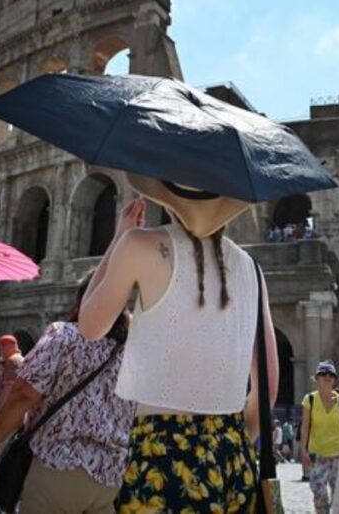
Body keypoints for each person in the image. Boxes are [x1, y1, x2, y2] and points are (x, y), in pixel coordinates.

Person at [79, 185, 278, 513]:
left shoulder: (139, 245)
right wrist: (232, 436)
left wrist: (118, 240)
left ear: (167, 196)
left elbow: (90, 326)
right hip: (233, 455)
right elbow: (268, 386)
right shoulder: (251, 269)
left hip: (161, 455)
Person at [0, 269, 137, 514]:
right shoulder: (131, 354)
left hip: (57, 466)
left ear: (83, 300)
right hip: (107, 477)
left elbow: (23, 395)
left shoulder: (64, 336)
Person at [300, 361, 339, 514]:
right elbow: (305, 427)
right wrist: (303, 450)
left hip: (338, 455)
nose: (327, 377)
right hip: (318, 455)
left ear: (334, 379)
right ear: (317, 379)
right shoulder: (310, 400)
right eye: (323, 374)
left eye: (331, 375)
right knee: (319, 492)